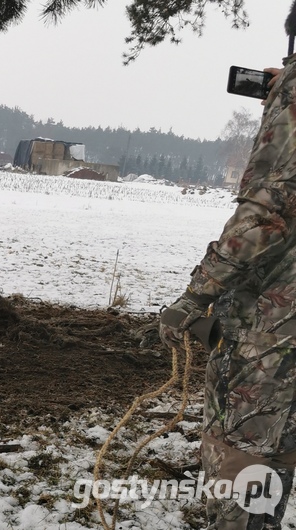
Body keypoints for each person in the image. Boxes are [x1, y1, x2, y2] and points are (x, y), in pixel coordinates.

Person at [159, 3, 296, 529]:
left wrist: (197, 293)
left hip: (273, 332)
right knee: (275, 458)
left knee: (243, 460)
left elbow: (276, 206)